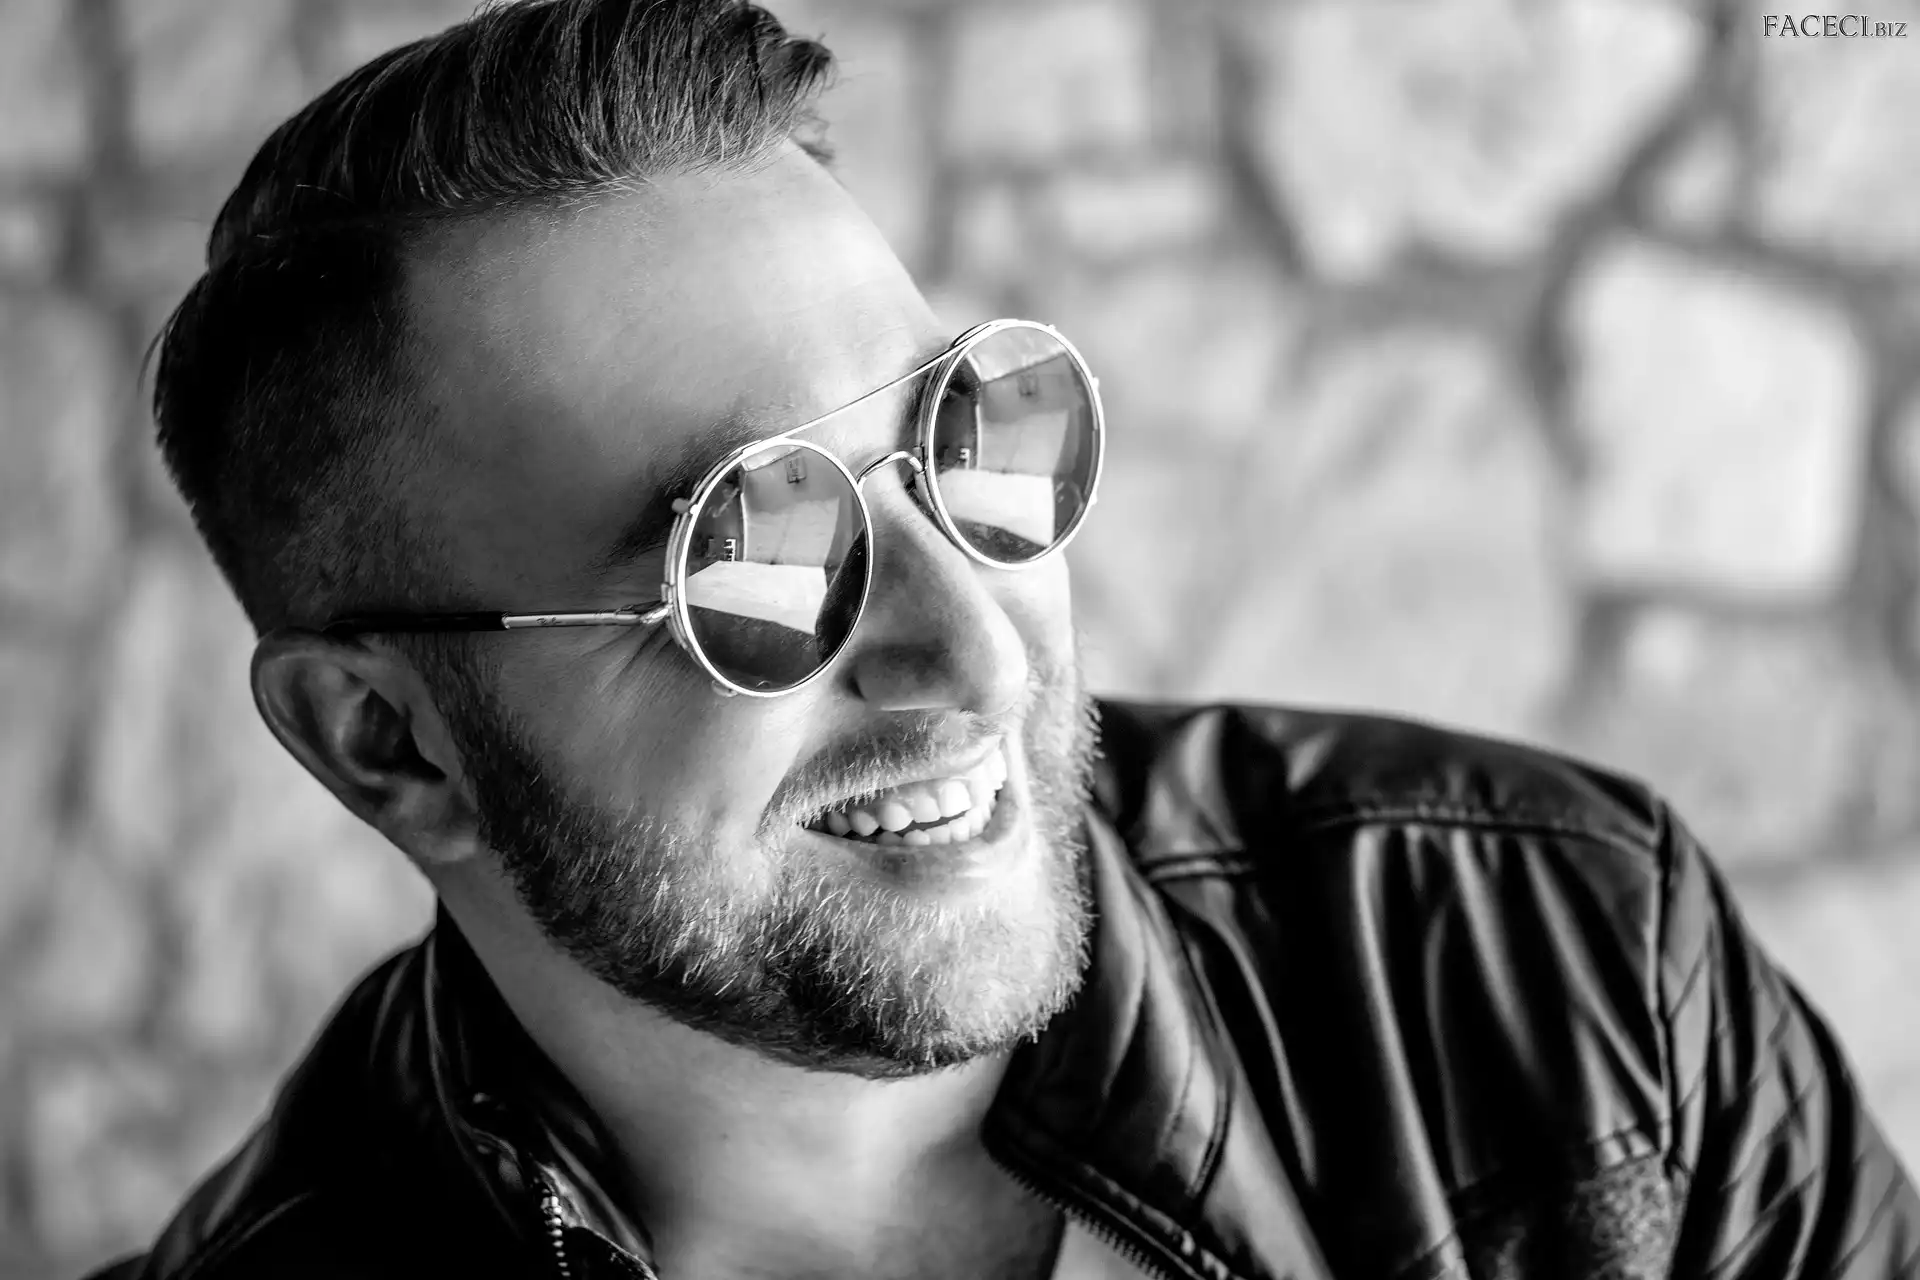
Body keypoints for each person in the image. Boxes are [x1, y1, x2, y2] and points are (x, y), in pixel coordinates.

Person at [89, 2, 1918, 1277]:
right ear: (389, 741)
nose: (976, 648)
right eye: (751, 554)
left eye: (962, 440)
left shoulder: (1570, 974)